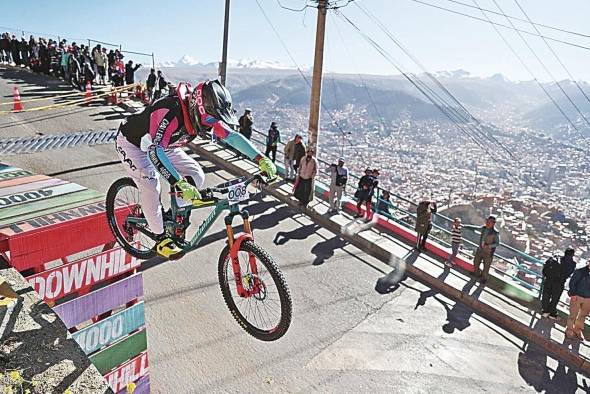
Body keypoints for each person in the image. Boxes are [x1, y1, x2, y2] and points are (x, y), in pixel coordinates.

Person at [115, 80, 276, 258]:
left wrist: (261, 159)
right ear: (199, 108)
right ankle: (160, 238)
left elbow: (231, 137)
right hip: (133, 145)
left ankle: (174, 214)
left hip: (165, 145)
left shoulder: (205, 114)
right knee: (151, 184)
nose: (212, 125)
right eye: (210, 120)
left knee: (196, 173)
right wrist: (178, 182)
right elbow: (154, 152)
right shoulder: (170, 112)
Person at [542, 248, 576, 319]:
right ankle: (551, 313)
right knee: (555, 298)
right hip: (559, 283)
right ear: (572, 255)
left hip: (549, 280)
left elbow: (545, 269)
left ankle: (545, 311)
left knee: (546, 295)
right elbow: (568, 274)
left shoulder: (556, 258)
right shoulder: (572, 264)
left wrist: (547, 276)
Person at [471, 215, 500, 283]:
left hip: (488, 252)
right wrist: (465, 226)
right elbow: (476, 228)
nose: (487, 223)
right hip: (480, 249)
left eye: (489, 222)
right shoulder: (484, 228)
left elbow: (497, 243)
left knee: (486, 267)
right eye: (487, 221)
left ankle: (484, 279)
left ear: (493, 223)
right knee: (476, 262)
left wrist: (489, 246)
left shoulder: (495, 233)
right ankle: (477, 273)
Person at [566, 260, 590, 340]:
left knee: (583, 316)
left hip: (588, 298)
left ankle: (577, 329)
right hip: (577, 296)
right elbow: (572, 283)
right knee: (573, 314)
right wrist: (573, 294)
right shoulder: (580, 271)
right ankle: (569, 330)